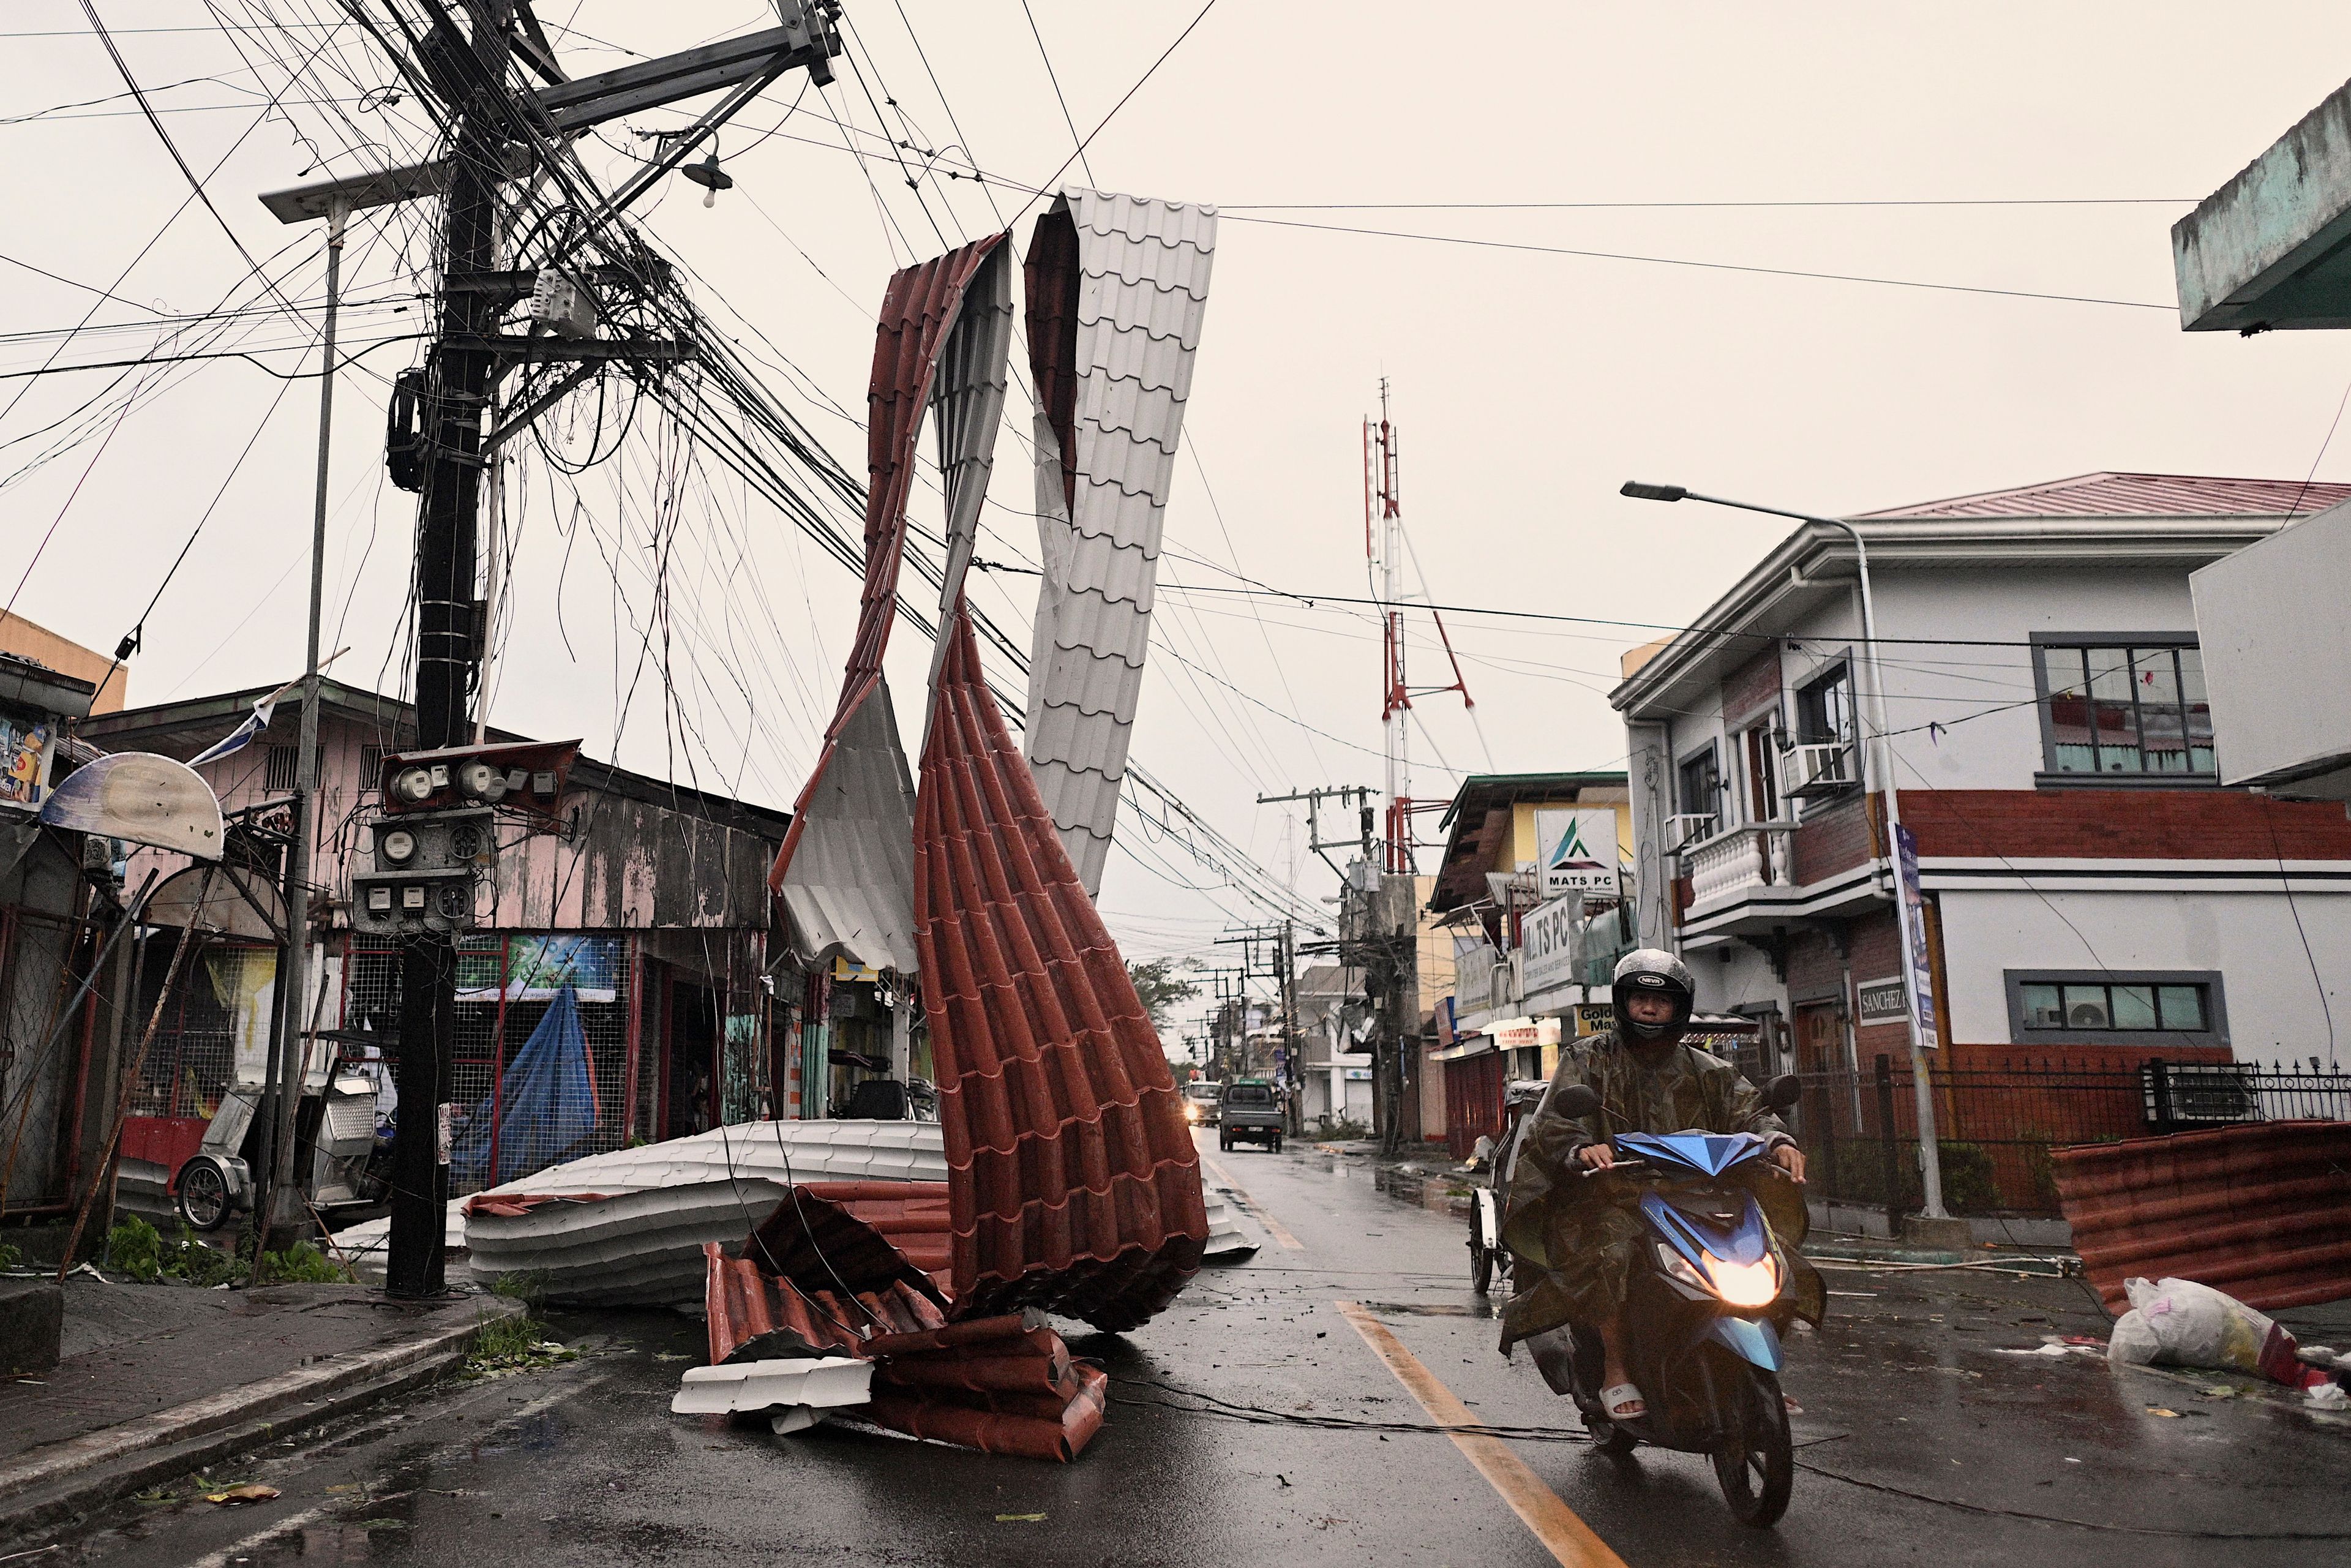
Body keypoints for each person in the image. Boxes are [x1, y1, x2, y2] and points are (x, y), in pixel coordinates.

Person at [1499, 948, 1821, 1422]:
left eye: (1661, 1001)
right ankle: (1615, 1366)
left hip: (1697, 1198)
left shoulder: (1705, 1068)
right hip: (1612, 1196)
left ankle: (1757, 1371)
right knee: (1608, 1252)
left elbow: (1751, 1111)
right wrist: (1581, 1147)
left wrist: (1778, 1141)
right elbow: (1554, 1123)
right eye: (1640, 999)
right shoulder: (1587, 1059)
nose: (1650, 1009)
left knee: (1775, 1262)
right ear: (1622, 1003)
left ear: (1679, 1008)